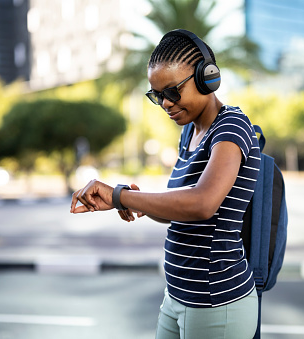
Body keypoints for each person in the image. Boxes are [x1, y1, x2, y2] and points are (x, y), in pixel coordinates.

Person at [71, 29, 261, 339]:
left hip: (215, 303)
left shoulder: (231, 126)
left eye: (172, 91)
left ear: (207, 78)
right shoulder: (189, 134)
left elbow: (202, 203)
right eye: (157, 95)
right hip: (176, 297)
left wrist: (122, 196)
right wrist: (127, 199)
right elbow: (177, 209)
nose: (165, 104)